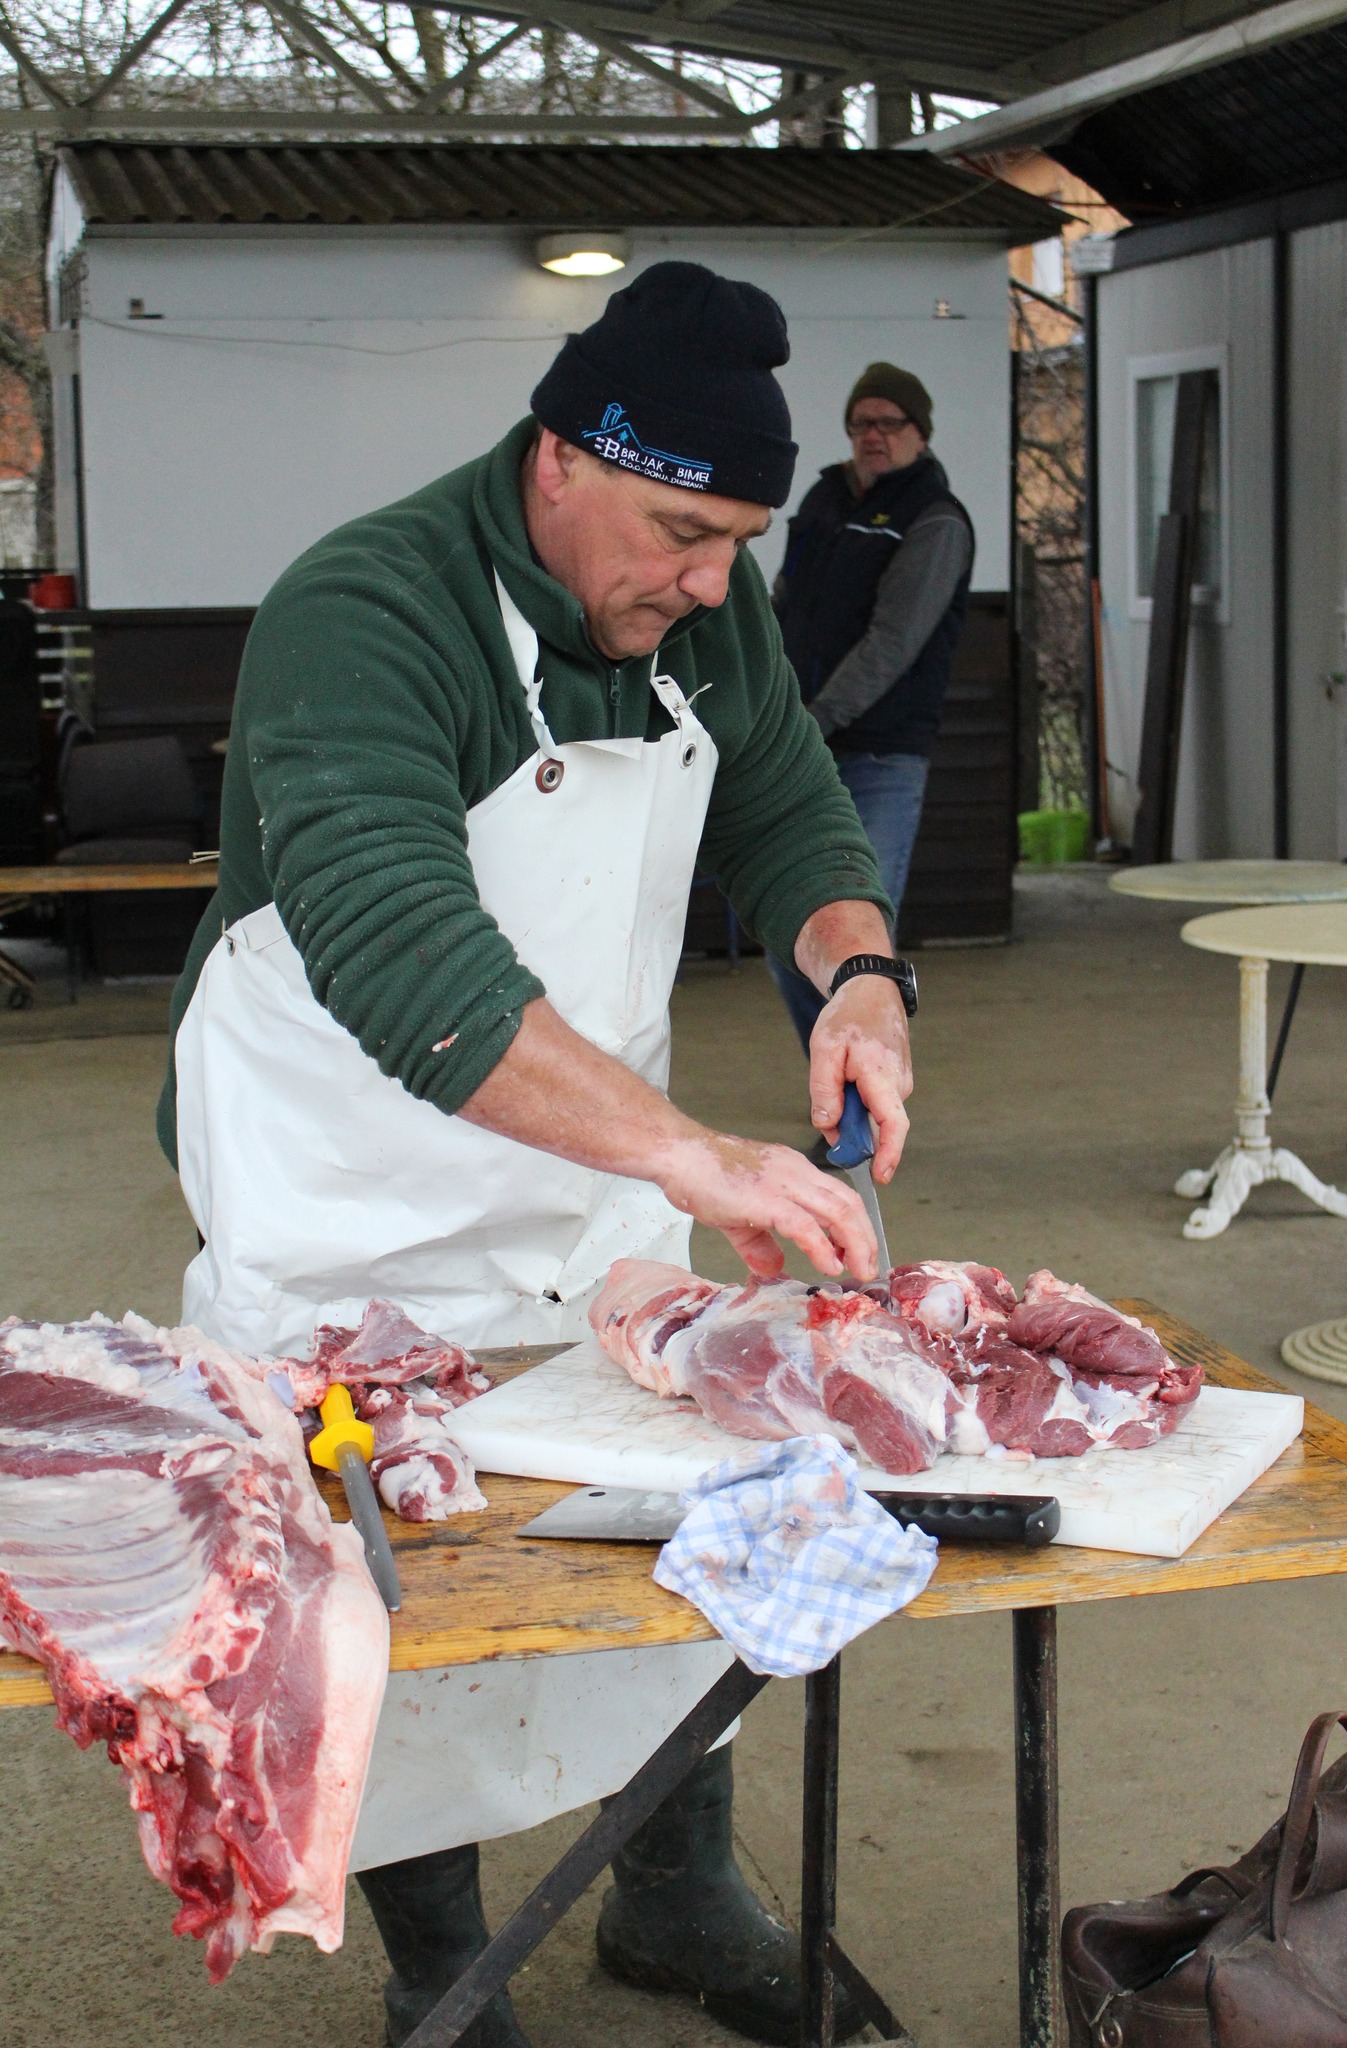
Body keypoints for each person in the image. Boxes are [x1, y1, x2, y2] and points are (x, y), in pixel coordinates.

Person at [157, 263, 917, 2048]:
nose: (713, 581)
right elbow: (406, 956)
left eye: (739, 538)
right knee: (400, 1574)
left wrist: (857, 974)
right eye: (679, 529)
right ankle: (443, 1953)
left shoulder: (700, 612)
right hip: (343, 1168)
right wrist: (701, 1158)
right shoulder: (365, 604)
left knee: (665, 1508)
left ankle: (677, 1891)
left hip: (585, 1158)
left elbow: (792, 802)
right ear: (562, 458)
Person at [769, 363, 975, 1118]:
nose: (873, 435)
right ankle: (839, 1086)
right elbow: (781, 604)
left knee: (859, 947)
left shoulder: (934, 520)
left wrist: (809, 722)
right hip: (804, 744)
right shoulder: (824, 500)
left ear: (918, 433)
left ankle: (856, 1113)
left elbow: (893, 645)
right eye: (862, 422)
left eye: (890, 423)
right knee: (790, 936)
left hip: (879, 753)